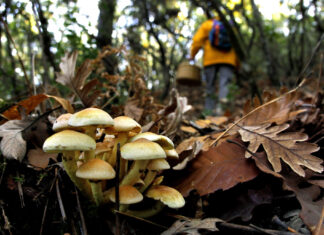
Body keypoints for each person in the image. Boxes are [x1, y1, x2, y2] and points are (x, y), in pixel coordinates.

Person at [190, 16, 239, 116]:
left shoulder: (208, 24)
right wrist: (237, 63)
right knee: (225, 85)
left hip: (210, 60)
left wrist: (192, 55)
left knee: (210, 87)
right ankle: (223, 113)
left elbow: (197, 40)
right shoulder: (230, 26)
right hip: (228, 60)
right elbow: (237, 45)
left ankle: (208, 113)